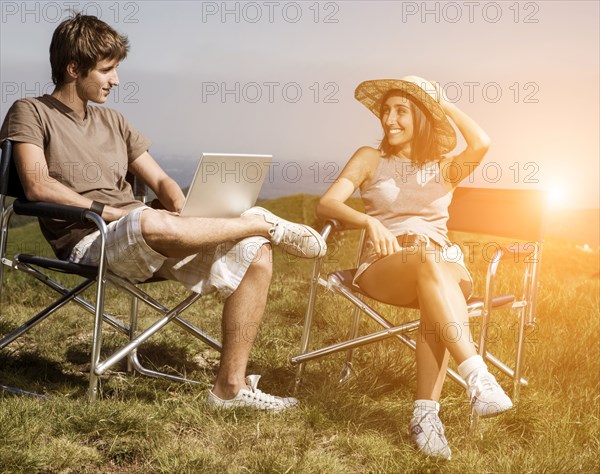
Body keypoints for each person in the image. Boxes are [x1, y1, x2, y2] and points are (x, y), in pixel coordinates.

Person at [0, 13, 327, 411]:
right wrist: (111, 214)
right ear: (73, 68)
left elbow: (163, 182)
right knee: (151, 218)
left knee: (255, 252)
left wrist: (183, 207)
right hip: (91, 239)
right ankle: (256, 220)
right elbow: (37, 185)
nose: (116, 80)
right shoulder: (30, 111)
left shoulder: (114, 121)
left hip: (147, 235)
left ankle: (230, 389)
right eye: (107, 70)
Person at [317, 76, 513, 459]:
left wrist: (444, 103)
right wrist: (368, 222)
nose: (388, 119)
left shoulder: (444, 167)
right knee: (426, 260)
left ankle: (426, 417)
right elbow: (327, 204)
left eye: (400, 111)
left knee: (433, 275)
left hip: (442, 264)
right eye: (385, 111)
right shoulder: (369, 158)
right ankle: (478, 378)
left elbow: (482, 143)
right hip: (385, 265)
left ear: (422, 118)